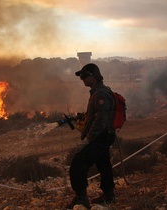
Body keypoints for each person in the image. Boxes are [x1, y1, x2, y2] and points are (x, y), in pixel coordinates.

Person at [66, 63, 116, 209]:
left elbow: (101, 120)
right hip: (103, 136)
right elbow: (96, 115)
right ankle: (109, 195)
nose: (81, 79)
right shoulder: (97, 92)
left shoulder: (100, 94)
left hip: (100, 137)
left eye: (84, 76)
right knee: (103, 164)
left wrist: (88, 139)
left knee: (78, 164)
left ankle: (81, 199)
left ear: (93, 76)